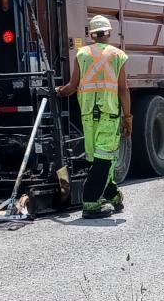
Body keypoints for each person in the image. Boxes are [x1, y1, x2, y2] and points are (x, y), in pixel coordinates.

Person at [56, 14, 132, 219]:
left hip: (88, 115)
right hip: (109, 114)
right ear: (108, 33)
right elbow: (123, 89)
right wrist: (128, 117)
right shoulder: (118, 55)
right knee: (104, 160)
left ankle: (113, 195)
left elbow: (72, 86)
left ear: (91, 34)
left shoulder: (82, 54)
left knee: (99, 160)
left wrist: (59, 92)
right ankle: (90, 204)